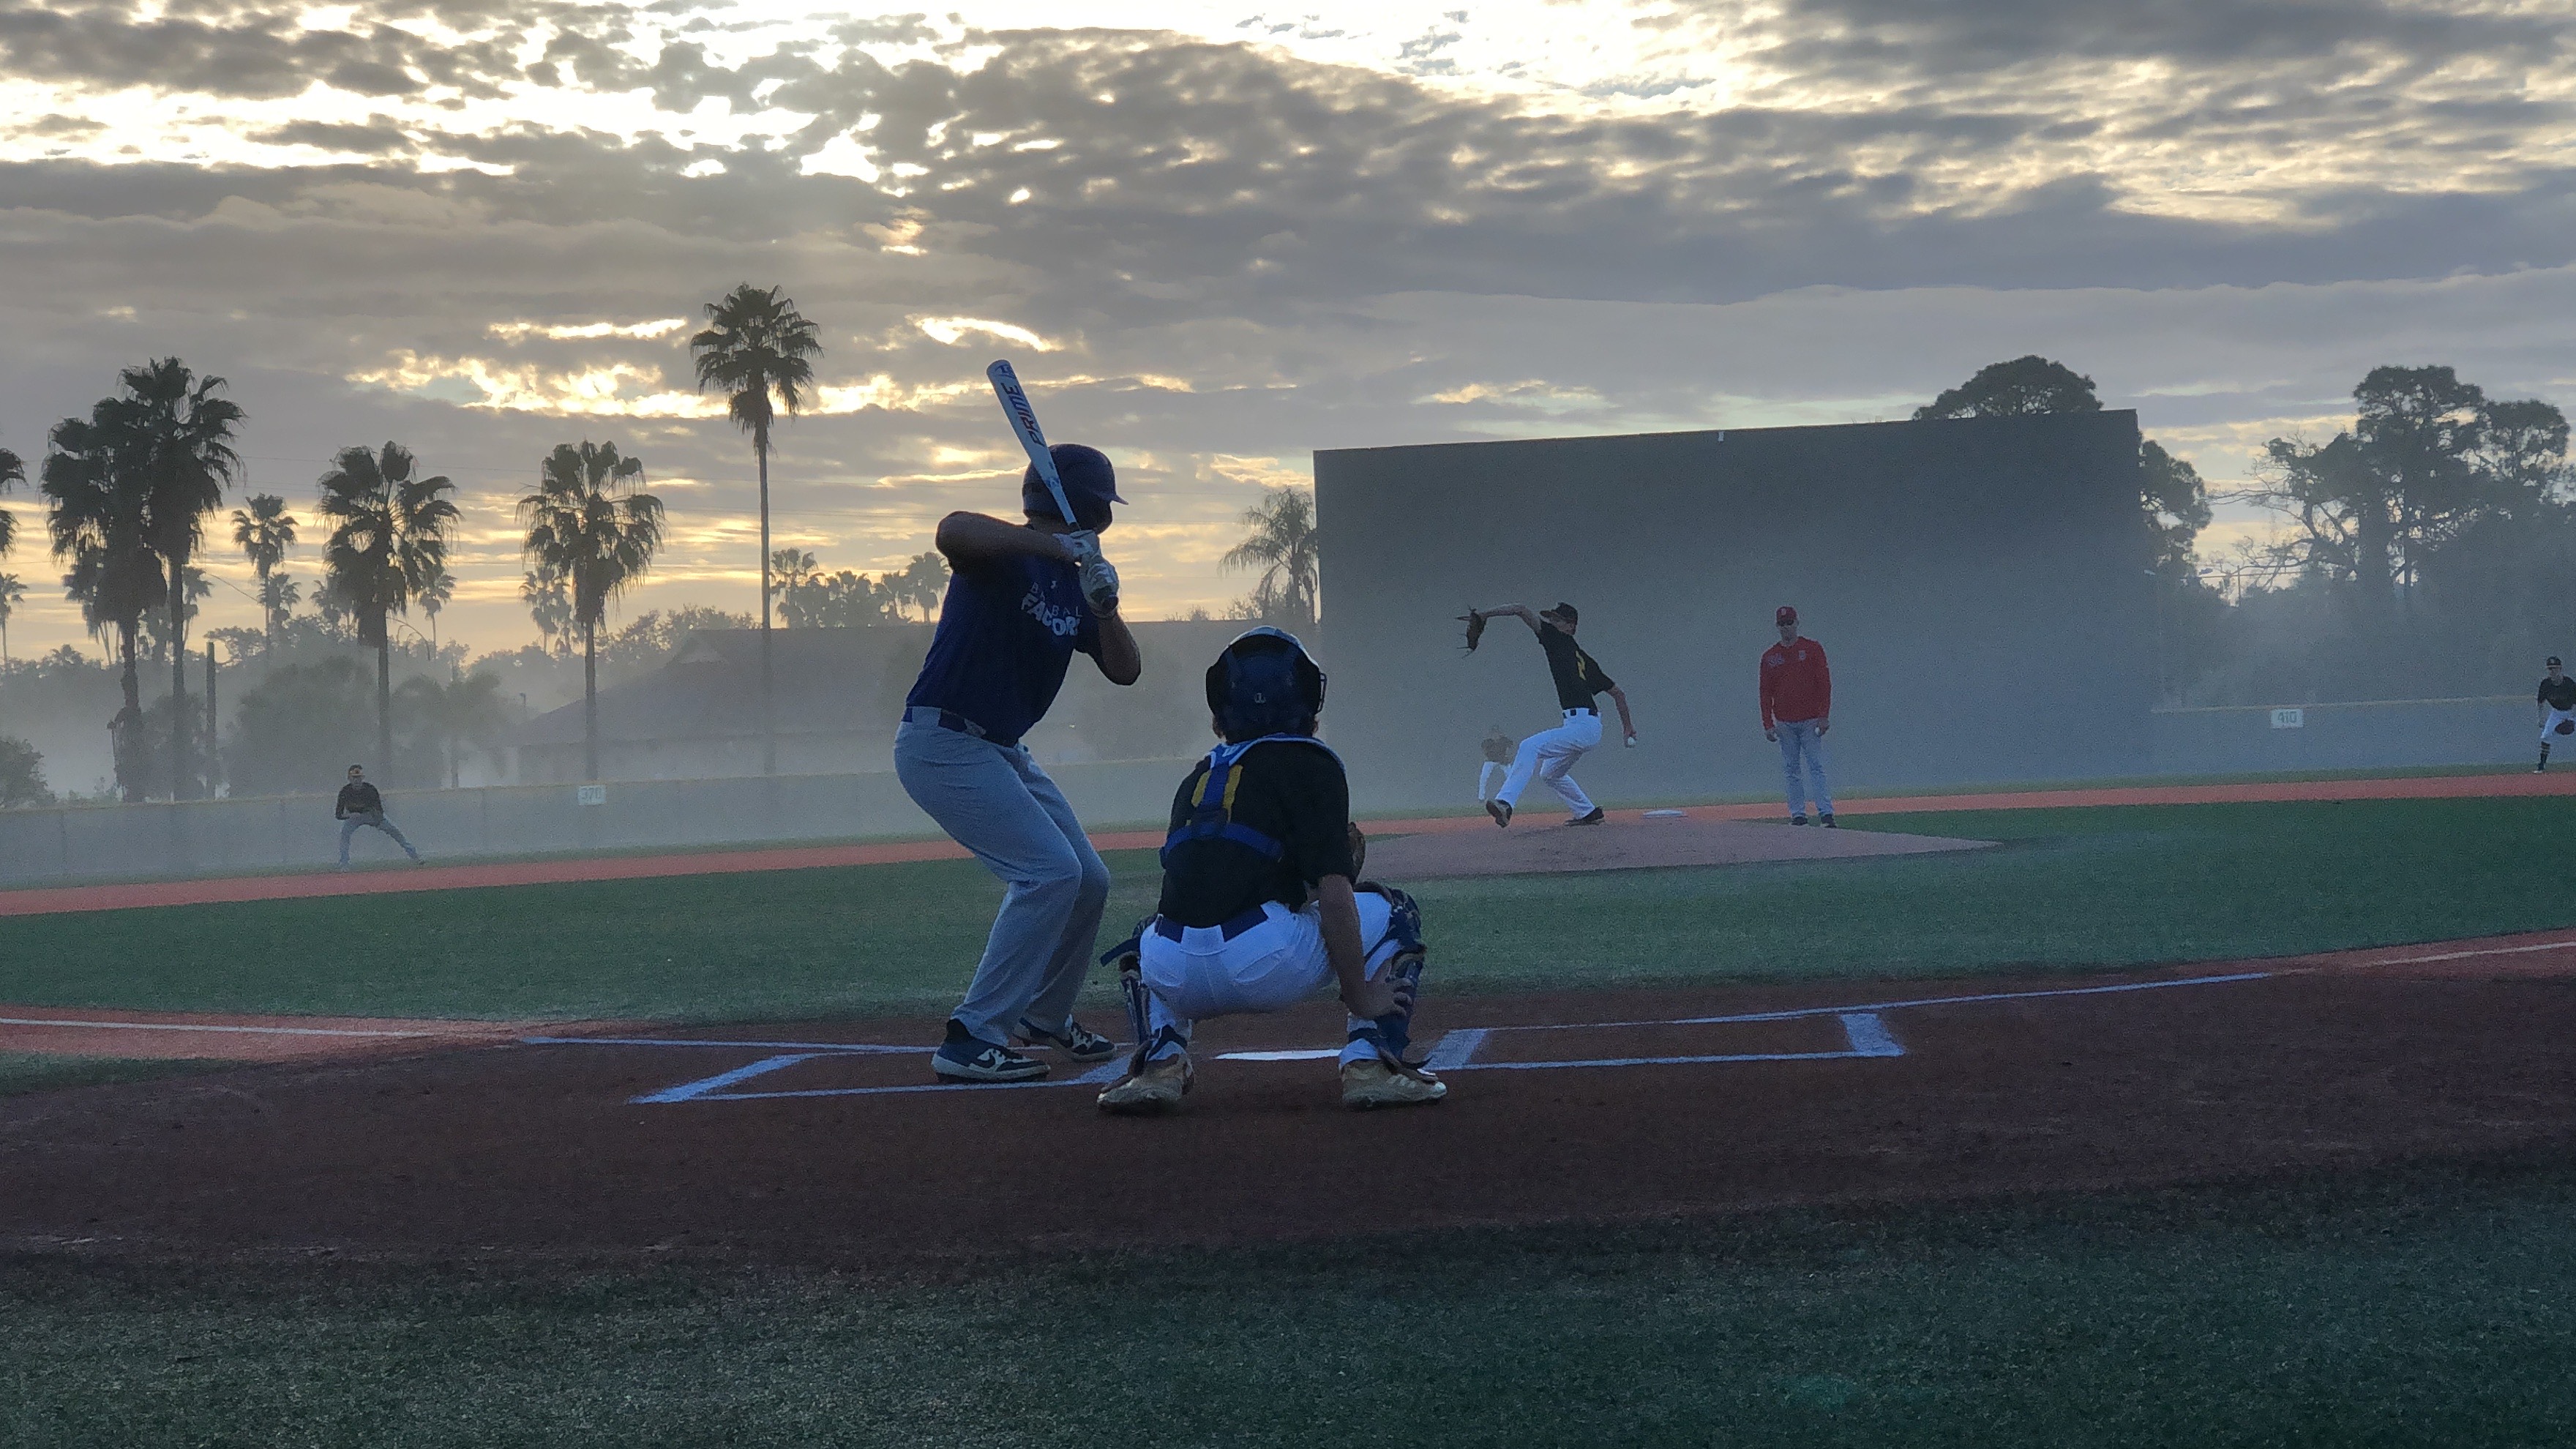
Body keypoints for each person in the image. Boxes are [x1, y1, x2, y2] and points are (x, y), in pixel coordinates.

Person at [1093, 628, 1444, 1114]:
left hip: (1172, 970)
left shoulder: (1201, 774)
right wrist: (1359, 994)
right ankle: (1371, 1062)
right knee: (1394, 910)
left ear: (1221, 707)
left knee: (1147, 935)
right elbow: (1335, 898)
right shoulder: (1311, 763)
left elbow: (1209, 884)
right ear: (1306, 696)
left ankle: (1160, 1063)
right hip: (1265, 961)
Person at [897, 442, 1142, 1083]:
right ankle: (972, 1034)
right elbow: (953, 528)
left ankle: (1048, 1016)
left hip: (1001, 748)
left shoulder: (1075, 577)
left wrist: (1104, 603)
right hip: (944, 741)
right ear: (1085, 504)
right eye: (1102, 508)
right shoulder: (1004, 557)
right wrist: (1059, 549)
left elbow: (1126, 670)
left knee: (1088, 878)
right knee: (1048, 873)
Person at [1465, 602, 1635, 828]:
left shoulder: (1557, 640)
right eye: (1551, 618)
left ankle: (1505, 803)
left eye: (1557, 619)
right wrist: (1627, 728)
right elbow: (1618, 695)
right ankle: (1588, 812)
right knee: (1550, 773)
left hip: (1583, 727)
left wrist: (1484, 614)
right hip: (1582, 727)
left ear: (1571, 626)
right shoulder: (1582, 657)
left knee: (1529, 746)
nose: (1552, 622)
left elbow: (1520, 609)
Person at [1761, 604, 1835, 825]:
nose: (1786, 628)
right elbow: (1765, 693)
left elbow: (1824, 683)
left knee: (1816, 766)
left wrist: (1824, 715)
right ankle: (1798, 814)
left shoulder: (1812, 649)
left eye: (1789, 623)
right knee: (1791, 769)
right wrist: (1768, 723)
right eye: (1782, 624)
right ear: (1777, 627)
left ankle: (1826, 812)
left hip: (1811, 719)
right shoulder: (1770, 657)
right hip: (1785, 722)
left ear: (1797, 623)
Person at [334, 764, 420, 866]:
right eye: (354, 778)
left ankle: (415, 856)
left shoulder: (370, 789)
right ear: (349, 778)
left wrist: (376, 818)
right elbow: (338, 815)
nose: (357, 781)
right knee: (344, 834)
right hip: (353, 817)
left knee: (395, 831)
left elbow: (379, 810)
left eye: (359, 778)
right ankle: (344, 863)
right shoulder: (345, 792)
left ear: (363, 778)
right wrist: (350, 816)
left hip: (371, 815)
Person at [2537, 656, 2575, 772]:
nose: (2551, 671)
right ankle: (2542, 765)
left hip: (2572, 710)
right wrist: (2541, 718)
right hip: (2557, 712)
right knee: (2546, 735)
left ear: (2560, 669)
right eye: (2549, 669)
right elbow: (2540, 703)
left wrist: (2572, 719)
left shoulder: (2568, 683)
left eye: (2554, 668)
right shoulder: (2546, 684)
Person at [1476, 728, 1516, 804]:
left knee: (1511, 777)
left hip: (1502, 760)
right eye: (1494, 733)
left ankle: (1512, 796)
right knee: (1483, 777)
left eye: (1497, 733)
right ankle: (1481, 798)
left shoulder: (1504, 740)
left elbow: (1511, 747)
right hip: (1491, 760)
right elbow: (1484, 750)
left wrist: (1508, 756)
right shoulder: (1488, 741)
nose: (1495, 735)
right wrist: (1486, 757)